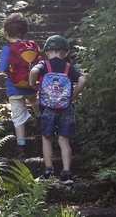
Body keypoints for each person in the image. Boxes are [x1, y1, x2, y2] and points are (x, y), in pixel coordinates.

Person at [29, 35, 87, 185]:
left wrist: (33, 84)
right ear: (66, 53)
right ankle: (66, 174)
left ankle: (48, 172)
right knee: (64, 139)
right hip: (66, 107)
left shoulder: (44, 65)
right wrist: (73, 96)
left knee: (47, 138)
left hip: (47, 107)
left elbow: (34, 71)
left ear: (46, 52)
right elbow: (83, 79)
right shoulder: (69, 67)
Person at [0, 13, 41, 159]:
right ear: (25, 31)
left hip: (14, 88)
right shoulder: (32, 46)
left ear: (6, 32)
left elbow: (3, 67)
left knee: (18, 116)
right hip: (30, 85)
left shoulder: (7, 49)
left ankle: (21, 147)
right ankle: (42, 120)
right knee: (35, 102)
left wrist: (11, 75)